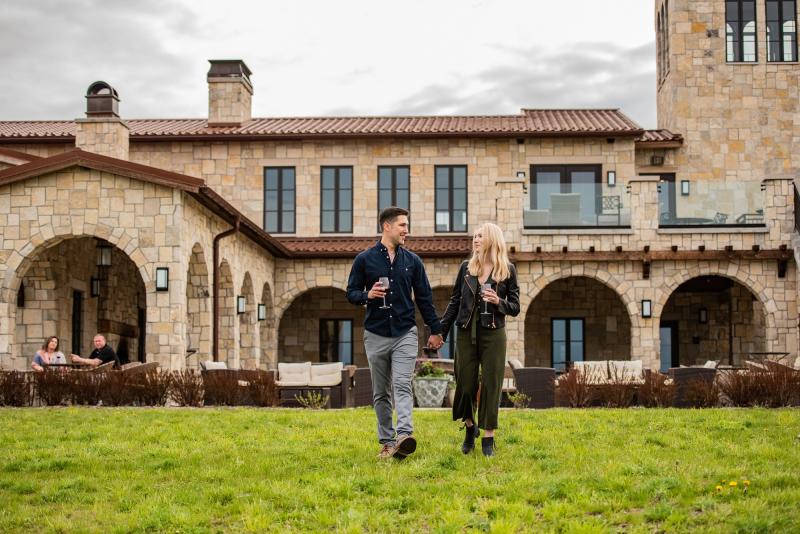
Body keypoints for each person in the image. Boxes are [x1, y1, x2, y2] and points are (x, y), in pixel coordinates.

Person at [347, 206, 444, 460]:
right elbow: (351, 292)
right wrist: (367, 295)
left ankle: (404, 436)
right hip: (375, 334)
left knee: (402, 384)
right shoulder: (364, 260)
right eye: (402, 225)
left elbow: (425, 299)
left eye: (407, 225)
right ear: (386, 226)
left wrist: (436, 329)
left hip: (405, 333)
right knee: (381, 392)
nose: (406, 230)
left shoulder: (413, 261)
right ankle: (388, 443)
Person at [439, 223, 520, 456]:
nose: (475, 240)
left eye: (480, 236)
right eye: (474, 236)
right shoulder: (466, 267)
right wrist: (441, 333)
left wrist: (498, 302)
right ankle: (469, 426)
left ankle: (488, 439)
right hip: (466, 331)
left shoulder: (507, 270)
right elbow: (455, 302)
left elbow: (515, 307)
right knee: (464, 383)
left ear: (492, 239)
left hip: (494, 333)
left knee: (492, 384)